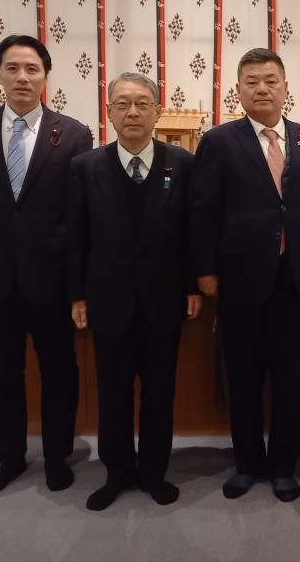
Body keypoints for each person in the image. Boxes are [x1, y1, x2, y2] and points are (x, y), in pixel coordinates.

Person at [0, 34, 92, 497]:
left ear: (46, 76)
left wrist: (78, 287)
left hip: (50, 280)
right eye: (12, 68)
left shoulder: (72, 133)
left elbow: (78, 219)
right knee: (2, 373)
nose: (22, 78)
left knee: (59, 371)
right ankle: (8, 458)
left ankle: (56, 457)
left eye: (32, 69)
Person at [190, 48, 300, 502]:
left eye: (271, 80)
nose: (262, 88)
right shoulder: (218, 142)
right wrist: (204, 272)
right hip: (239, 281)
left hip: (296, 281)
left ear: (287, 88)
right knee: (243, 378)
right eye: (251, 81)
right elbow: (202, 211)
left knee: (290, 379)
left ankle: (284, 466)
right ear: (239, 90)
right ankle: (247, 463)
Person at [66, 72, 201, 511]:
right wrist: (77, 295)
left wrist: (192, 286)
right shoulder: (86, 168)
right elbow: (76, 239)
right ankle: (118, 472)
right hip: (108, 302)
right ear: (108, 113)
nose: (133, 113)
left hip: (165, 301)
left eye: (142, 103)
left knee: (160, 392)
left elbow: (190, 235)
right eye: (122, 104)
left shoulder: (181, 163)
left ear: (158, 111)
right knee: (115, 394)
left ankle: (153, 473)